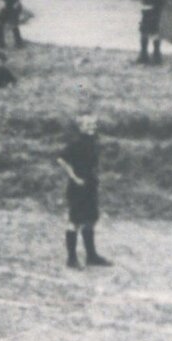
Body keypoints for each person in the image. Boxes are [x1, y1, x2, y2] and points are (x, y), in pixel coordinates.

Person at [56, 112, 110, 268]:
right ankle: (71, 259)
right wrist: (74, 177)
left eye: (93, 124)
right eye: (87, 125)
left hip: (90, 185)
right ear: (80, 127)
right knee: (74, 221)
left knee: (90, 220)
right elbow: (61, 159)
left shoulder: (93, 142)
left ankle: (91, 256)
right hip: (77, 187)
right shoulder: (76, 142)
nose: (91, 127)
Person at [137, 0, 166, 65]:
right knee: (145, 32)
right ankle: (146, 55)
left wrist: (151, 7)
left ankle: (155, 55)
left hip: (153, 12)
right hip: (148, 12)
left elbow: (160, 0)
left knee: (152, 32)